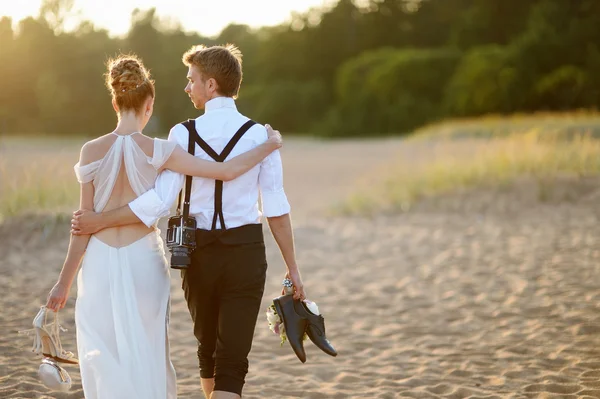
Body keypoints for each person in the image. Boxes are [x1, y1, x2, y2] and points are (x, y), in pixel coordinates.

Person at [71, 44, 306, 399]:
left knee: (207, 352)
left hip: (196, 252)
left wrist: (97, 220)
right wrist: (293, 269)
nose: (187, 87)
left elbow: (160, 202)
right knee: (233, 359)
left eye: (192, 80)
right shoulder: (262, 136)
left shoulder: (183, 133)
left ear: (211, 85)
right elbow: (275, 208)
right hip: (246, 250)